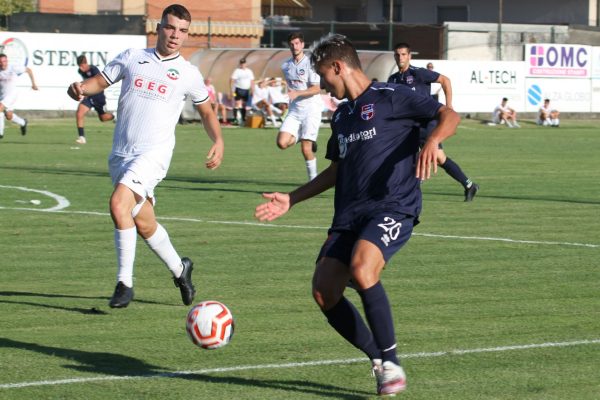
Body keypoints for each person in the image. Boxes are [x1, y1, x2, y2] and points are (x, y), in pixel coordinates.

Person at [255, 34, 460, 396]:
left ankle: (393, 363)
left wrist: (431, 141)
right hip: (349, 214)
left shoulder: (390, 98)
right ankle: (378, 359)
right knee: (324, 291)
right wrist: (292, 198)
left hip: (393, 206)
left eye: (324, 77)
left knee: (363, 269)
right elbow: (336, 170)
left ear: (339, 66)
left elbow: (448, 115)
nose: (322, 86)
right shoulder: (343, 115)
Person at [67, 4, 224, 308]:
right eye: (170, 27)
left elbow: (206, 110)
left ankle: (124, 283)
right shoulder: (132, 57)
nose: (175, 35)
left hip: (154, 154)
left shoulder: (189, 73)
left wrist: (218, 139)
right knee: (144, 223)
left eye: (182, 30)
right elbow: (96, 83)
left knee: (117, 204)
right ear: (159, 27)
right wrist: (79, 90)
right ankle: (181, 269)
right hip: (120, 155)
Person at [388, 43, 479, 202]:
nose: (400, 57)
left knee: (430, 157)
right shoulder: (393, 79)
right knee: (438, 158)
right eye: (397, 54)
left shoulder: (419, 73)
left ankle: (410, 189)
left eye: (403, 54)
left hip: (426, 123)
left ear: (409, 56)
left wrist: (449, 106)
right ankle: (469, 185)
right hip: (407, 126)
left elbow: (445, 80)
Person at [277, 32, 323, 181]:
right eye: (292, 44)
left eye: (297, 43)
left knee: (306, 149)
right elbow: (292, 88)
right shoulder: (285, 65)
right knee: (282, 143)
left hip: (311, 110)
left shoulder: (311, 63)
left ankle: (313, 181)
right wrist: (292, 96)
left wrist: (297, 93)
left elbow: (317, 88)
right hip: (295, 111)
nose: (294, 46)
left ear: (302, 45)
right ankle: (299, 136)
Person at [74, 55, 115, 144]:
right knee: (79, 113)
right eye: (79, 66)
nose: (80, 68)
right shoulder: (80, 71)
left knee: (103, 118)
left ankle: (115, 116)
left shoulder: (94, 70)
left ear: (86, 63)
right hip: (89, 97)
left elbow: (99, 84)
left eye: (82, 66)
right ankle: (81, 137)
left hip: (98, 97)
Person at [0, 53, 38, 139]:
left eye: (4, 61)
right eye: (0, 62)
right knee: (8, 116)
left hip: (12, 94)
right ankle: (23, 123)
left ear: (7, 61)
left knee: (0, 108)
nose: (3, 63)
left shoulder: (13, 68)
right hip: (2, 95)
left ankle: (0, 133)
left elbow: (29, 70)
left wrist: (33, 84)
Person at [230, 58, 255, 125]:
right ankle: (236, 119)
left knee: (244, 105)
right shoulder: (237, 71)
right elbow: (232, 80)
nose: (242, 64)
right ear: (240, 64)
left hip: (246, 90)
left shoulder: (249, 71)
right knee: (237, 104)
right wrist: (232, 90)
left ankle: (243, 119)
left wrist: (253, 90)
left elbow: (252, 81)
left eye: (244, 63)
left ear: (246, 64)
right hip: (237, 89)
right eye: (241, 63)